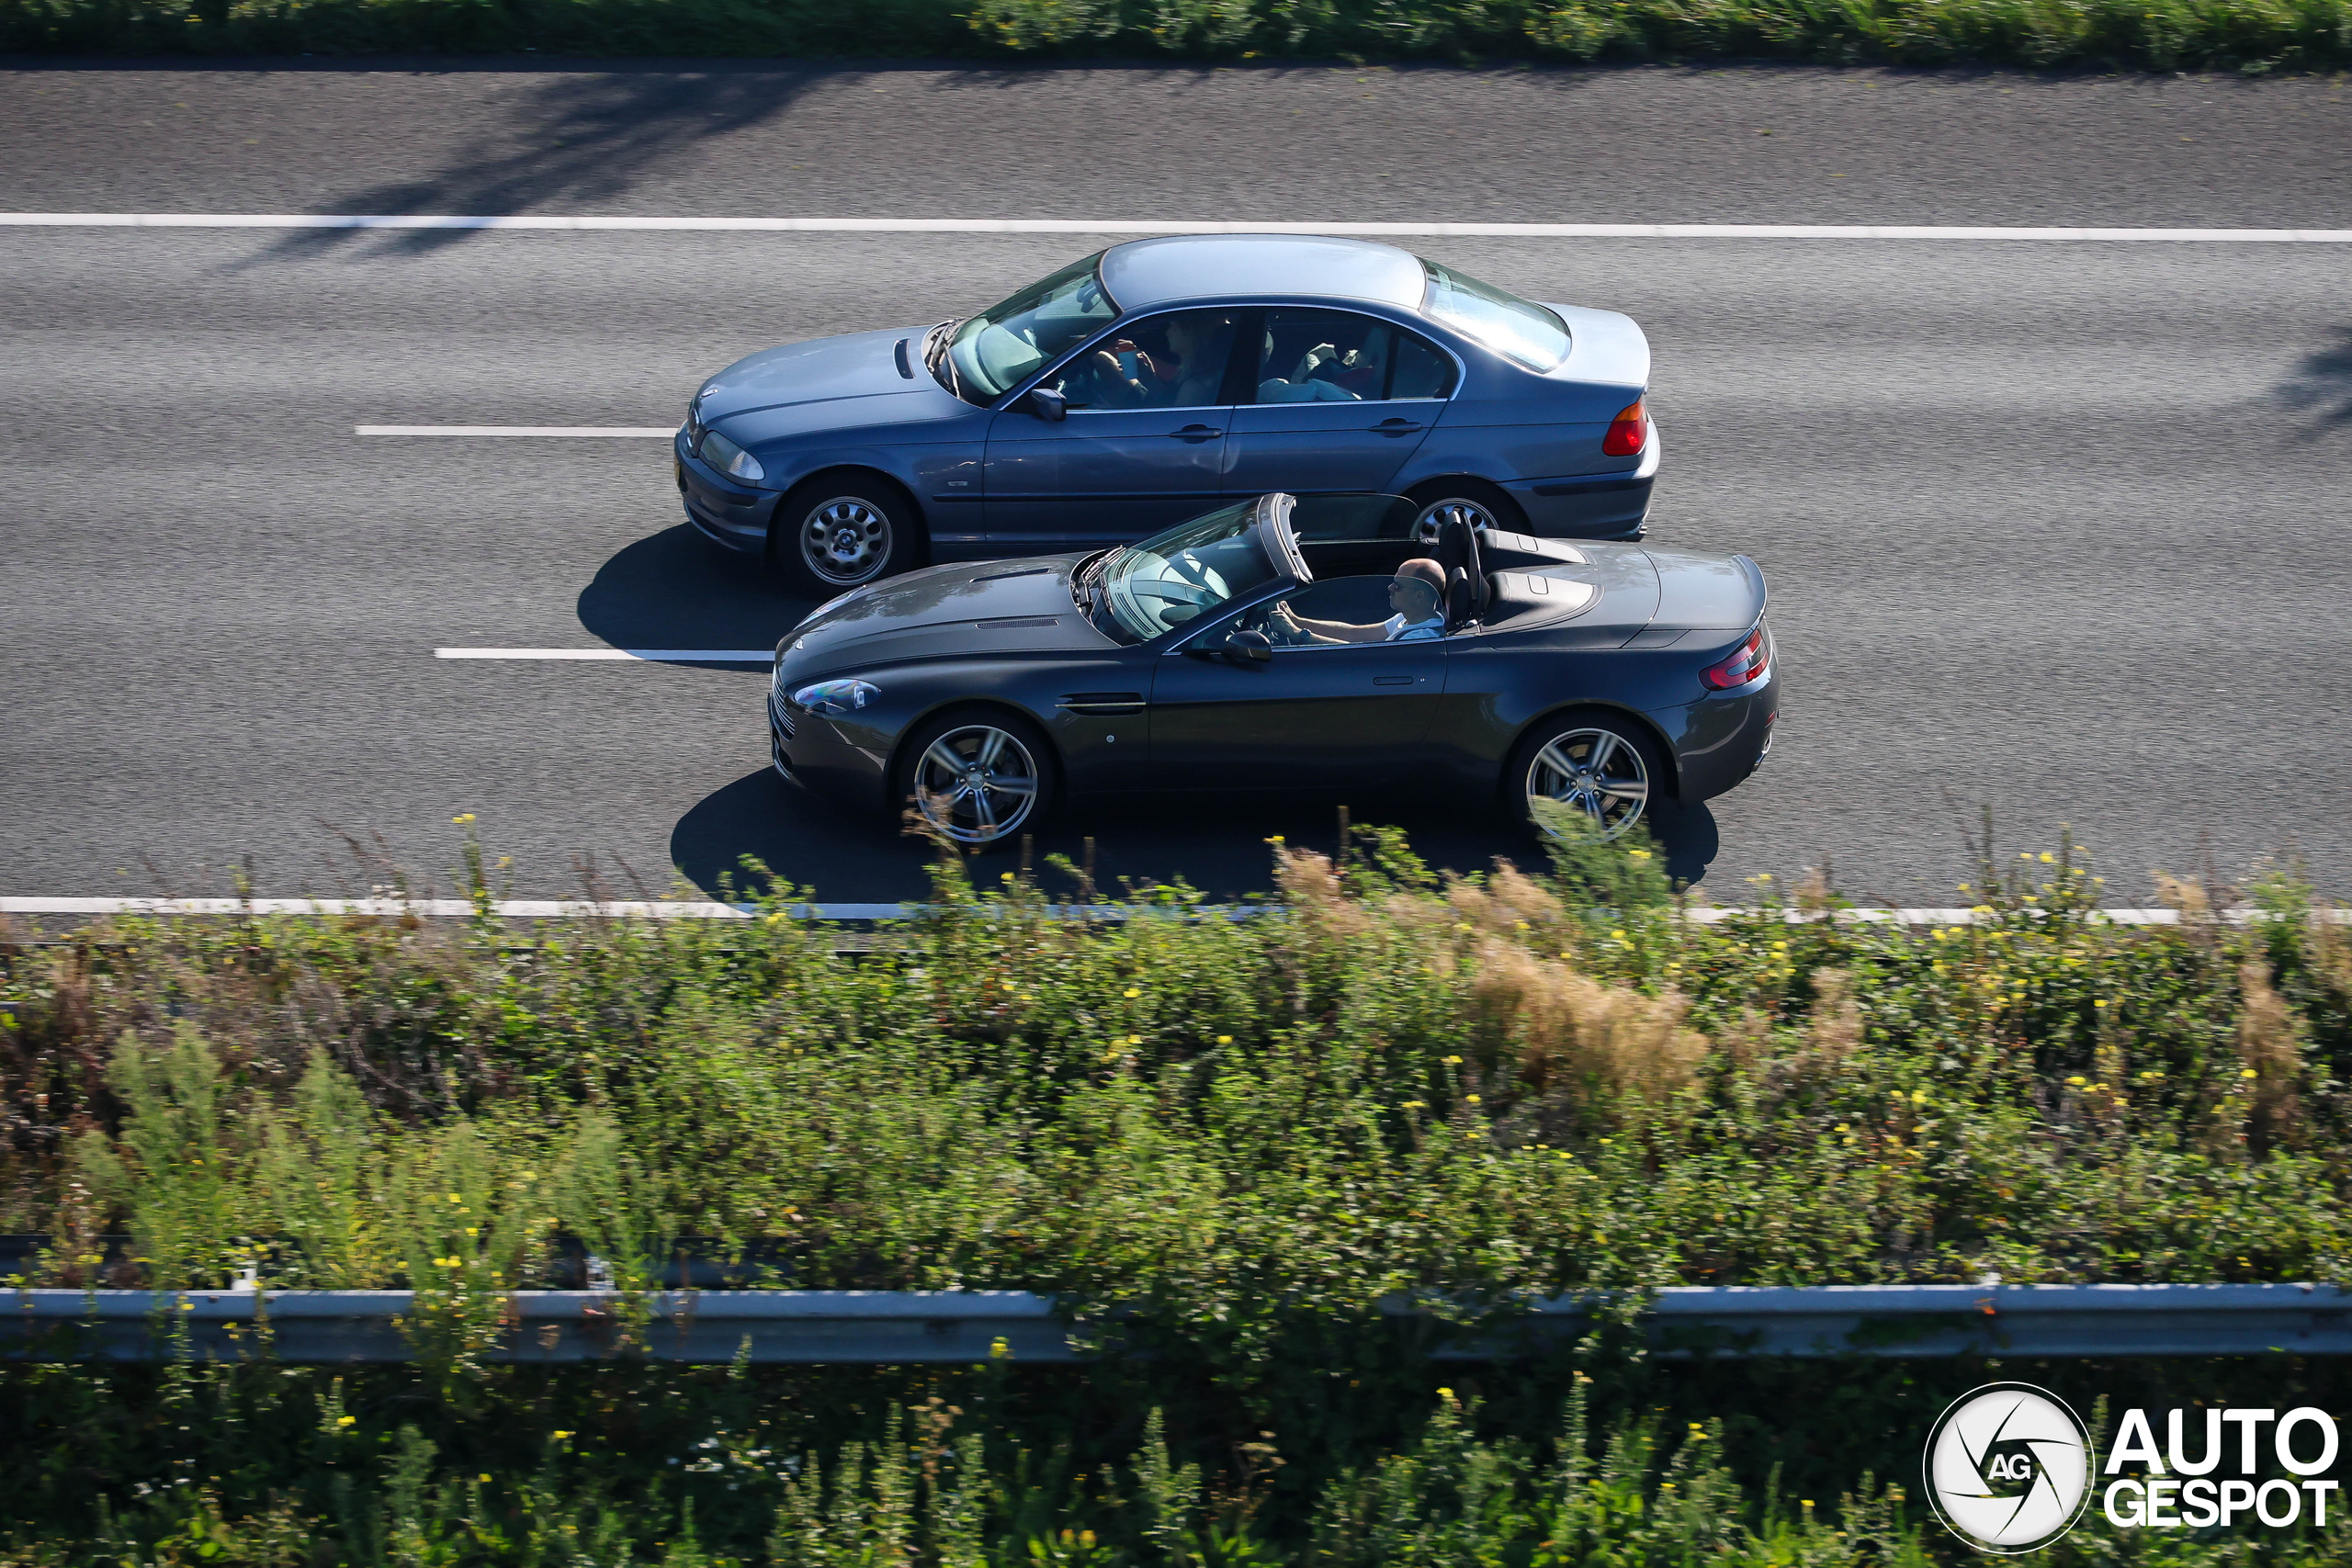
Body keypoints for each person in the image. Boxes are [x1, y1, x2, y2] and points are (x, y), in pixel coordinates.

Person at [1262, 559, 1448, 646]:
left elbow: (1357, 653)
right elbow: (1354, 633)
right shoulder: (1409, 619)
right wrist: (1296, 620)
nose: (1390, 588)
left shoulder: (1418, 639)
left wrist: (1297, 633)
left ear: (1419, 596)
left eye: (1398, 586)